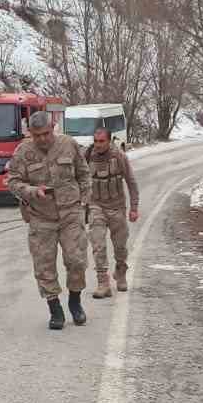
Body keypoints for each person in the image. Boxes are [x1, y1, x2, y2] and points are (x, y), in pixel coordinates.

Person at [5, 110, 90, 330]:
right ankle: (55, 308)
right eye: (37, 135)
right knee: (44, 266)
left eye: (45, 133)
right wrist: (32, 190)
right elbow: (12, 181)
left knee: (76, 260)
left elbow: (83, 173)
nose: (42, 139)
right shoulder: (23, 152)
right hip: (41, 217)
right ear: (30, 134)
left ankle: (75, 300)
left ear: (52, 128)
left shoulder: (68, 144)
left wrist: (84, 201)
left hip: (71, 212)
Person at [85, 126, 140, 299]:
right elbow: (78, 179)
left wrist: (134, 208)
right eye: (95, 141)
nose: (98, 145)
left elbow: (131, 182)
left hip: (117, 207)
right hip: (96, 206)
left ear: (109, 141)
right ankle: (103, 282)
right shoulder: (87, 156)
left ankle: (121, 271)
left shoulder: (119, 157)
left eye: (101, 141)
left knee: (120, 246)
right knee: (98, 245)